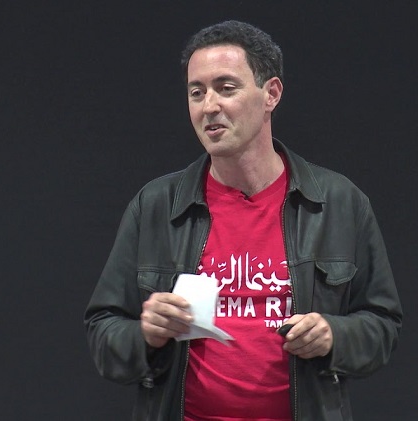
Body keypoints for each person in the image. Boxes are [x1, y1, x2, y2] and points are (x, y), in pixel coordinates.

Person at [84, 20, 402, 421]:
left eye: (226, 88)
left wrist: (335, 335)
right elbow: (103, 332)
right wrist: (145, 334)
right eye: (196, 92)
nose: (208, 106)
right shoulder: (155, 206)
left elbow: (383, 324)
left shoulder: (339, 203)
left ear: (271, 94)